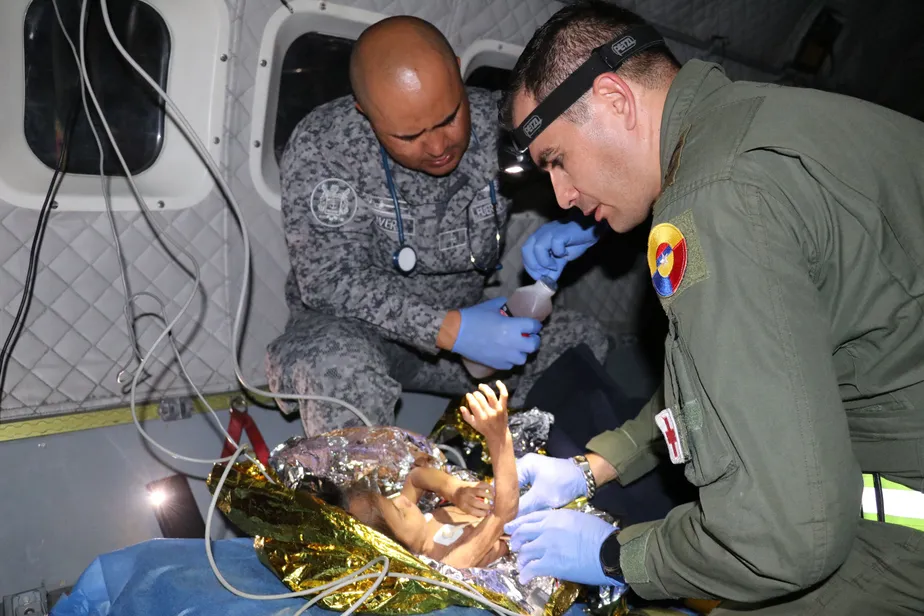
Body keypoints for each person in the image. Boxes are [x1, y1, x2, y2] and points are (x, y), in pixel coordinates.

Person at [497, 2, 924, 614]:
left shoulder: (714, 204)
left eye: (557, 160)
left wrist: (616, 555)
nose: (561, 197)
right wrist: (596, 467)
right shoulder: (771, 121)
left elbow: (784, 539)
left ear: (615, 99)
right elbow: (737, 374)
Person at [267, 15, 609, 435]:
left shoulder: (502, 122)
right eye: (408, 136)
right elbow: (328, 281)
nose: (437, 146)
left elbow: (601, 163)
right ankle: (374, 499)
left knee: (578, 340)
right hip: (355, 335)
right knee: (337, 362)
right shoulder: (326, 144)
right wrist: (447, 329)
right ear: (364, 113)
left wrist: (587, 219)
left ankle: (512, 476)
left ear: (460, 73)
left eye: (449, 117)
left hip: (464, 344)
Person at [328, 382, 517, 569]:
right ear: (400, 553)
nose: (402, 501)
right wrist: (499, 439)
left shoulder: (419, 523)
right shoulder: (448, 562)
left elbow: (416, 477)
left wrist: (454, 489)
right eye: (400, 513)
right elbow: (504, 512)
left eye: (391, 501)